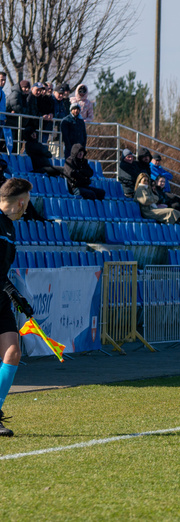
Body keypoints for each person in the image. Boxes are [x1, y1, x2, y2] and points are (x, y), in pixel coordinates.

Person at [0, 178, 36, 436]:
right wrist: (12, 291)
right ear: (21, 202)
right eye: (28, 202)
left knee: (13, 352)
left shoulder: (11, 227)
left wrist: (15, 295)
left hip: (0, 299)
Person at [0, 72, 13, 151]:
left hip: (1, 120)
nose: (3, 82)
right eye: (1, 80)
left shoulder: (2, 92)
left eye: (4, 80)